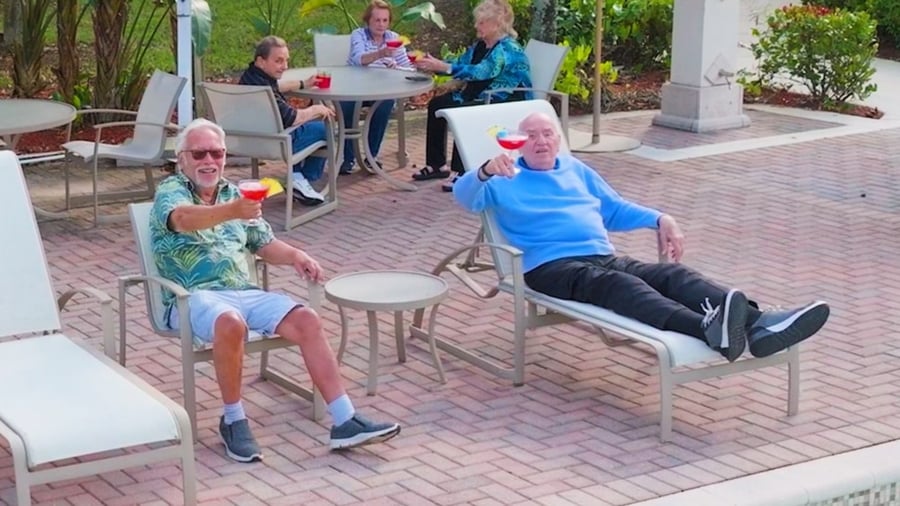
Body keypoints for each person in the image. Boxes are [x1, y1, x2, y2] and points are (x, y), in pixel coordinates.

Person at [453, 113, 830, 362]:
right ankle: (705, 329)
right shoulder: (503, 176)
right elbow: (465, 197)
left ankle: (761, 324)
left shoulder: (575, 169)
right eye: (530, 135)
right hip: (550, 267)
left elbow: (613, 209)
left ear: (558, 138)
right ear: (519, 141)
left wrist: (661, 218)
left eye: (548, 133)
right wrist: (485, 169)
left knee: (672, 277)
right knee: (620, 285)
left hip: (600, 255)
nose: (540, 141)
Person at [150, 118, 400, 462]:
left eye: (217, 153)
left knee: (307, 319)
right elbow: (181, 219)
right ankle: (234, 419)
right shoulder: (171, 190)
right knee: (231, 322)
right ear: (182, 159)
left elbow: (263, 243)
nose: (209, 160)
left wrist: (297, 256)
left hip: (242, 291)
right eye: (199, 153)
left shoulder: (234, 193)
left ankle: (345, 419)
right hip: (191, 297)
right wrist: (232, 211)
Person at [411, 0, 532, 192]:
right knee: (438, 104)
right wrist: (433, 64)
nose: (476, 25)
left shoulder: (507, 48)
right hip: (481, 95)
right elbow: (460, 64)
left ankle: (463, 172)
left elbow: (482, 72)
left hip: (504, 99)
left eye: (481, 22)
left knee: (462, 113)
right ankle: (437, 165)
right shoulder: (481, 45)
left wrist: (445, 67)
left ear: (497, 23)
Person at [239, 35, 336, 206]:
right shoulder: (264, 90)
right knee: (325, 129)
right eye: (278, 61)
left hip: (250, 140)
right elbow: (292, 117)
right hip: (276, 142)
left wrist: (302, 83)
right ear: (261, 61)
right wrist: (317, 109)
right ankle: (302, 178)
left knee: (313, 126)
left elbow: (276, 87)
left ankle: (297, 178)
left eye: (286, 61)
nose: (284, 66)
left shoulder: (250, 79)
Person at [340, 0, 411, 175]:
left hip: (380, 90)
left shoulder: (394, 38)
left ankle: (371, 156)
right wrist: (381, 54)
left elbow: (409, 68)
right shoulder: (359, 35)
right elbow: (359, 59)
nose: (381, 25)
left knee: (386, 103)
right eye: (377, 20)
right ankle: (348, 159)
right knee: (346, 106)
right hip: (355, 89)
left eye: (385, 20)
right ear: (368, 21)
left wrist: (396, 68)